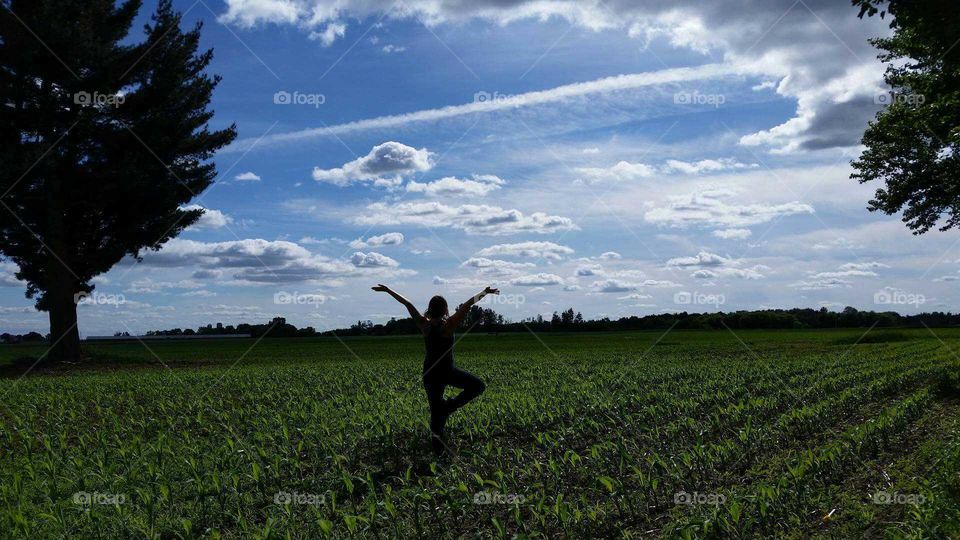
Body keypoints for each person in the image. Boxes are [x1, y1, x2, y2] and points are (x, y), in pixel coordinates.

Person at [372, 284, 498, 454]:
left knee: (435, 413)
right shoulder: (449, 325)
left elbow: (408, 304)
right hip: (447, 371)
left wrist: (388, 290)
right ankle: (448, 408)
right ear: (445, 309)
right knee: (478, 386)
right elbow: (468, 305)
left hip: (429, 373)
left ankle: (438, 450)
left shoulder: (424, 325)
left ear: (430, 309)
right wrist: (484, 292)